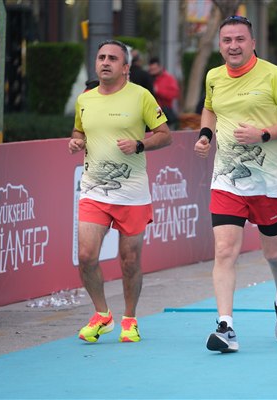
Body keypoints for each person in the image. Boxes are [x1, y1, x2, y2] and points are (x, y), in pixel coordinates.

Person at [193, 15, 277, 353]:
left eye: (240, 39)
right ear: (220, 45)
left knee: (273, 254)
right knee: (225, 250)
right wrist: (205, 135)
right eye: (227, 40)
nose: (233, 46)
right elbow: (209, 109)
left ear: (253, 43)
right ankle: (225, 326)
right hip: (227, 179)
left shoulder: (274, 75)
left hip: (269, 180)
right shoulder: (214, 76)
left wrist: (263, 134)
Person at [68, 39, 172, 343]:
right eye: (101, 57)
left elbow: (165, 135)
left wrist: (139, 144)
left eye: (112, 58)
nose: (105, 62)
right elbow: (79, 130)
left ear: (125, 67)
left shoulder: (141, 96)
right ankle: (102, 314)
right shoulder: (85, 99)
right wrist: (76, 141)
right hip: (94, 191)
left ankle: (129, 318)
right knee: (86, 256)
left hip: (132, 193)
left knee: (129, 260)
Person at [148, 56, 180, 129]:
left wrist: (158, 91)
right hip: (151, 112)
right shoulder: (148, 78)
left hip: (164, 111)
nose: (153, 72)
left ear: (160, 67)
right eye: (151, 70)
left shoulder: (168, 78)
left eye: (155, 69)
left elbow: (174, 94)